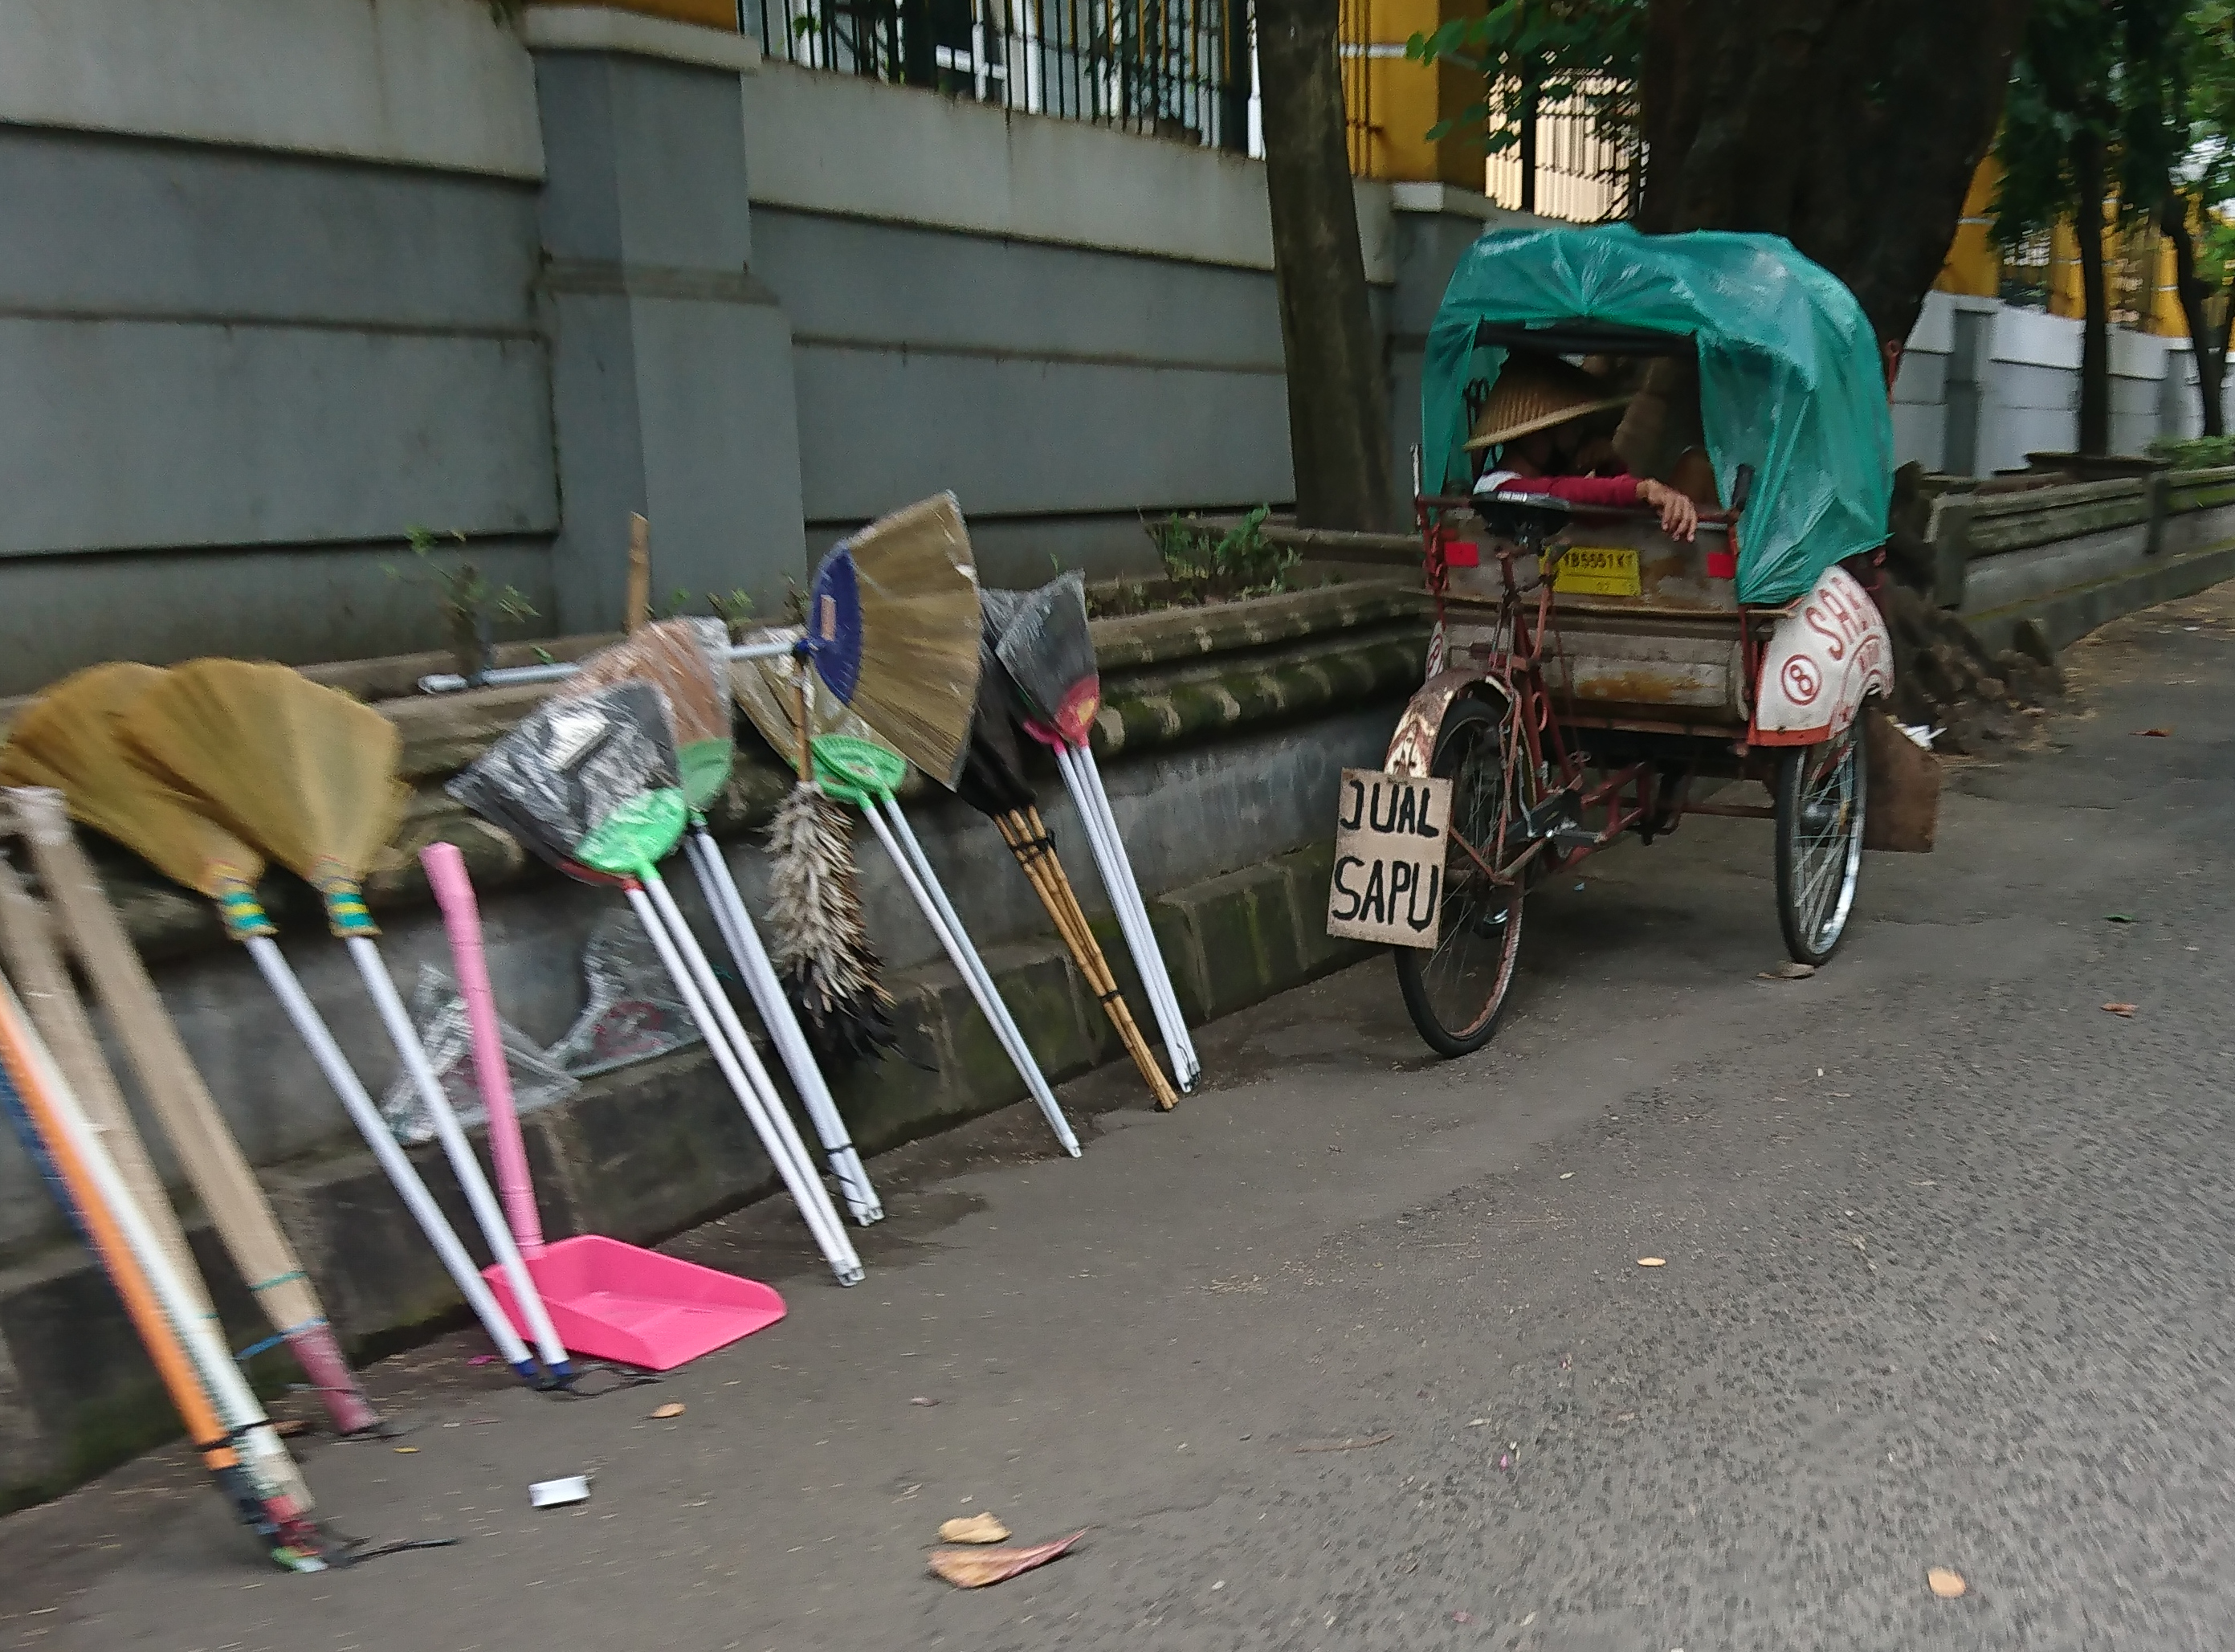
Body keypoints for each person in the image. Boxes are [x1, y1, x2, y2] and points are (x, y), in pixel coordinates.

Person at [1466, 354, 1701, 542]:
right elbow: (1559, 493)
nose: (1579, 435)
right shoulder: (1498, 487)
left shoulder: (1551, 485)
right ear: (1535, 433)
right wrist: (1643, 489)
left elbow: (1599, 517)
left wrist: (1609, 465)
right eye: (1571, 427)